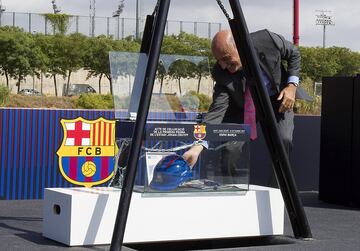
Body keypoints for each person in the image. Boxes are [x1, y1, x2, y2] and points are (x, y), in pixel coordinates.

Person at [182, 29, 308, 186]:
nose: (225, 66)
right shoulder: (221, 72)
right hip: (243, 108)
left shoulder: (266, 40)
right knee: (229, 150)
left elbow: (294, 53)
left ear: (238, 46)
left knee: (284, 141)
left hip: (278, 99)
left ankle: (276, 192)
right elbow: (216, 111)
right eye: (220, 61)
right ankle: (232, 189)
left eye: (227, 59)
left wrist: (291, 86)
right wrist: (198, 146)